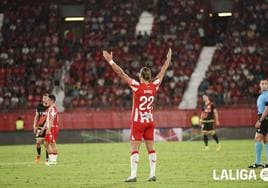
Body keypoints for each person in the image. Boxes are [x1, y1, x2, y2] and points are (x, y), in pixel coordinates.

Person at [103, 48, 172, 182]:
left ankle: (133, 175)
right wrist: (168, 59)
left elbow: (121, 74)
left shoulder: (137, 86)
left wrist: (110, 61)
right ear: (149, 76)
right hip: (150, 121)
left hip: (138, 122)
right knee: (151, 148)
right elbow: (162, 71)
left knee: (134, 148)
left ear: (141, 76)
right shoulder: (154, 86)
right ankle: (152, 174)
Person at [248, 79, 268, 168]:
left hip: (264, 118)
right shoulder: (262, 95)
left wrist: (260, 120)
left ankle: (257, 162)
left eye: (265, 84)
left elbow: (267, 109)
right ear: (259, 85)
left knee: (257, 138)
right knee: (265, 140)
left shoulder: (267, 95)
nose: (264, 85)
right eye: (262, 83)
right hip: (263, 117)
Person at [32, 94, 49, 163]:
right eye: (44, 98)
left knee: (46, 143)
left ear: (48, 99)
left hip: (48, 127)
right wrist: (34, 125)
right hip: (40, 126)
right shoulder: (39, 106)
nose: (45, 99)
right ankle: (38, 156)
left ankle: (47, 159)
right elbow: (36, 117)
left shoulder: (50, 107)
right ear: (42, 99)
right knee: (38, 142)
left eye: (46, 98)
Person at [44, 94, 59, 165]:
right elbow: (48, 120)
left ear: (52, 101)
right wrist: (44, 128)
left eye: (48, 100)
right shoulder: (50, 109)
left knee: (52, 143)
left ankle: (53, 161)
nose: (47, 101)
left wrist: (49, 129)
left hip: (52, 127)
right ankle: (51, 160)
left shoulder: (53, 109)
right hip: (49, 127)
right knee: (46, 143)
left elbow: (52, 119)